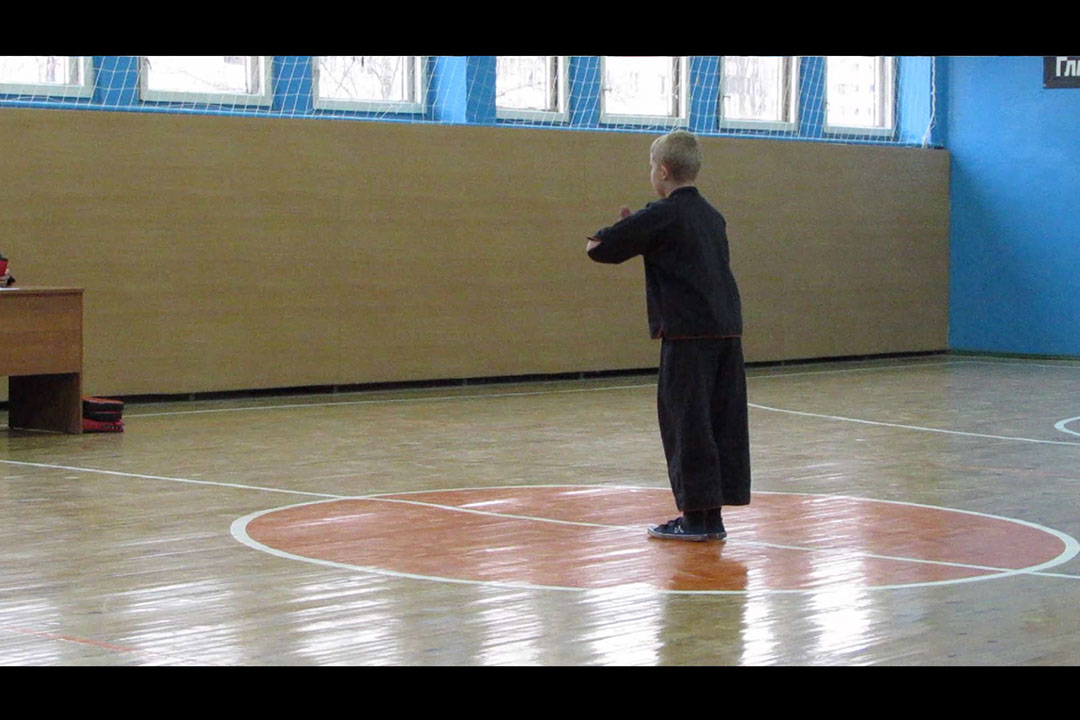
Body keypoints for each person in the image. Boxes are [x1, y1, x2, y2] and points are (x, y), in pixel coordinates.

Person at [586, 130, 751, 541]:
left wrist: (626, 227)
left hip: (687, 335)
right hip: (727, 331)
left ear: (662, 171)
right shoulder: (712, 216)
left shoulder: (662, 214)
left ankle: (695, 520)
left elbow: (598, 248)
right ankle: (710, 517)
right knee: (720, 423)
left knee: (686, 424)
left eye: (650, 167)